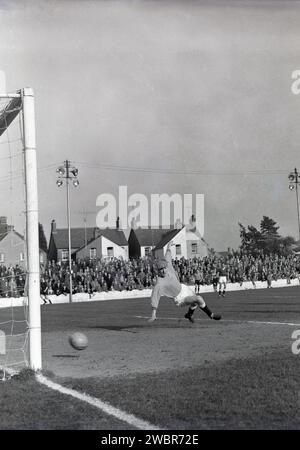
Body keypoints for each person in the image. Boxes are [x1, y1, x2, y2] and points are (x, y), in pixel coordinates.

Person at [148, 242, 221, 323]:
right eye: (161, 269)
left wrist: (168, 246)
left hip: (183, 288)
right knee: (198, 299)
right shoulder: (160, 283)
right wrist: (153, 314)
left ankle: (189, 314)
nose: (163, 270)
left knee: (195, 302)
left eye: (164, 268)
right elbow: (155, 297)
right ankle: (211, 315)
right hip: (179, 298)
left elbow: (167, 255)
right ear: (158, 271)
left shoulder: (168, 266)